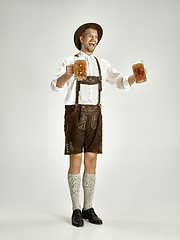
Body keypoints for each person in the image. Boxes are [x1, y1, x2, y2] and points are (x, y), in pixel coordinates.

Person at [51, 22, 137, 227]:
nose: (94, 39)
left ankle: (88, 207)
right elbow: (55, 86)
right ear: (81, 38)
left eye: (96, 36)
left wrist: (136, 77)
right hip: (74, 114)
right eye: (90, 35)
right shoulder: (69, 60)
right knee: (75, 162)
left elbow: (122, 82)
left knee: (92, 162)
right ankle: (75, 209)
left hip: (95, 115)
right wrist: (68, 73)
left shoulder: (102, 63)